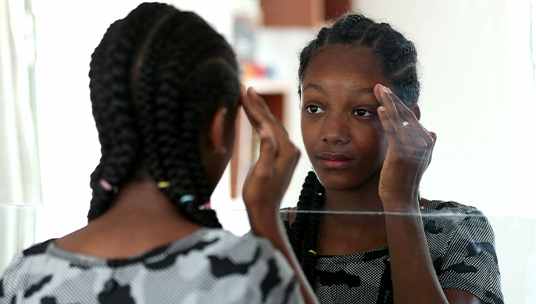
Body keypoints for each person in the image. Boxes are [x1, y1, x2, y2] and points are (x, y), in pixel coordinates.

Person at [0, 3, 318, 304]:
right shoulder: (248, 275)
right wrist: (267, 221)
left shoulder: (26, 275)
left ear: (108, 120)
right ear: (218, 128)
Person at [282, 13, 503, 304]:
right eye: (314, 108)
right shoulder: (275, 232)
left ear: (407, 121)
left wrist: (401, 202)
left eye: (361, 111)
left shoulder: (455, 229)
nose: (332, 133)